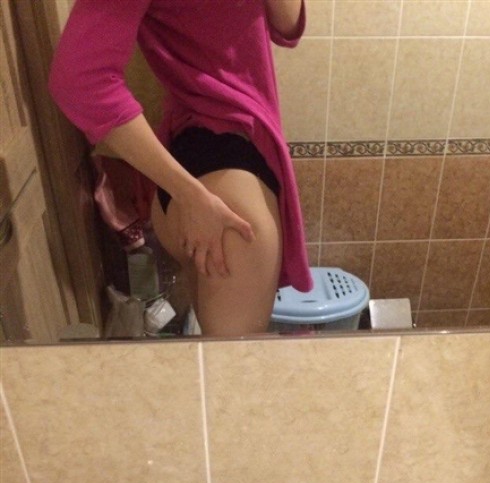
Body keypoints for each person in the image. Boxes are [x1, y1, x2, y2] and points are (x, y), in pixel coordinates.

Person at [49, 0, 313, 336]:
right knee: (233, 367)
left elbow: (288, 26)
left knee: (213, 360)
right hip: (221, 194)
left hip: (205, 163)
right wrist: (191, 195)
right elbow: (78, 80)